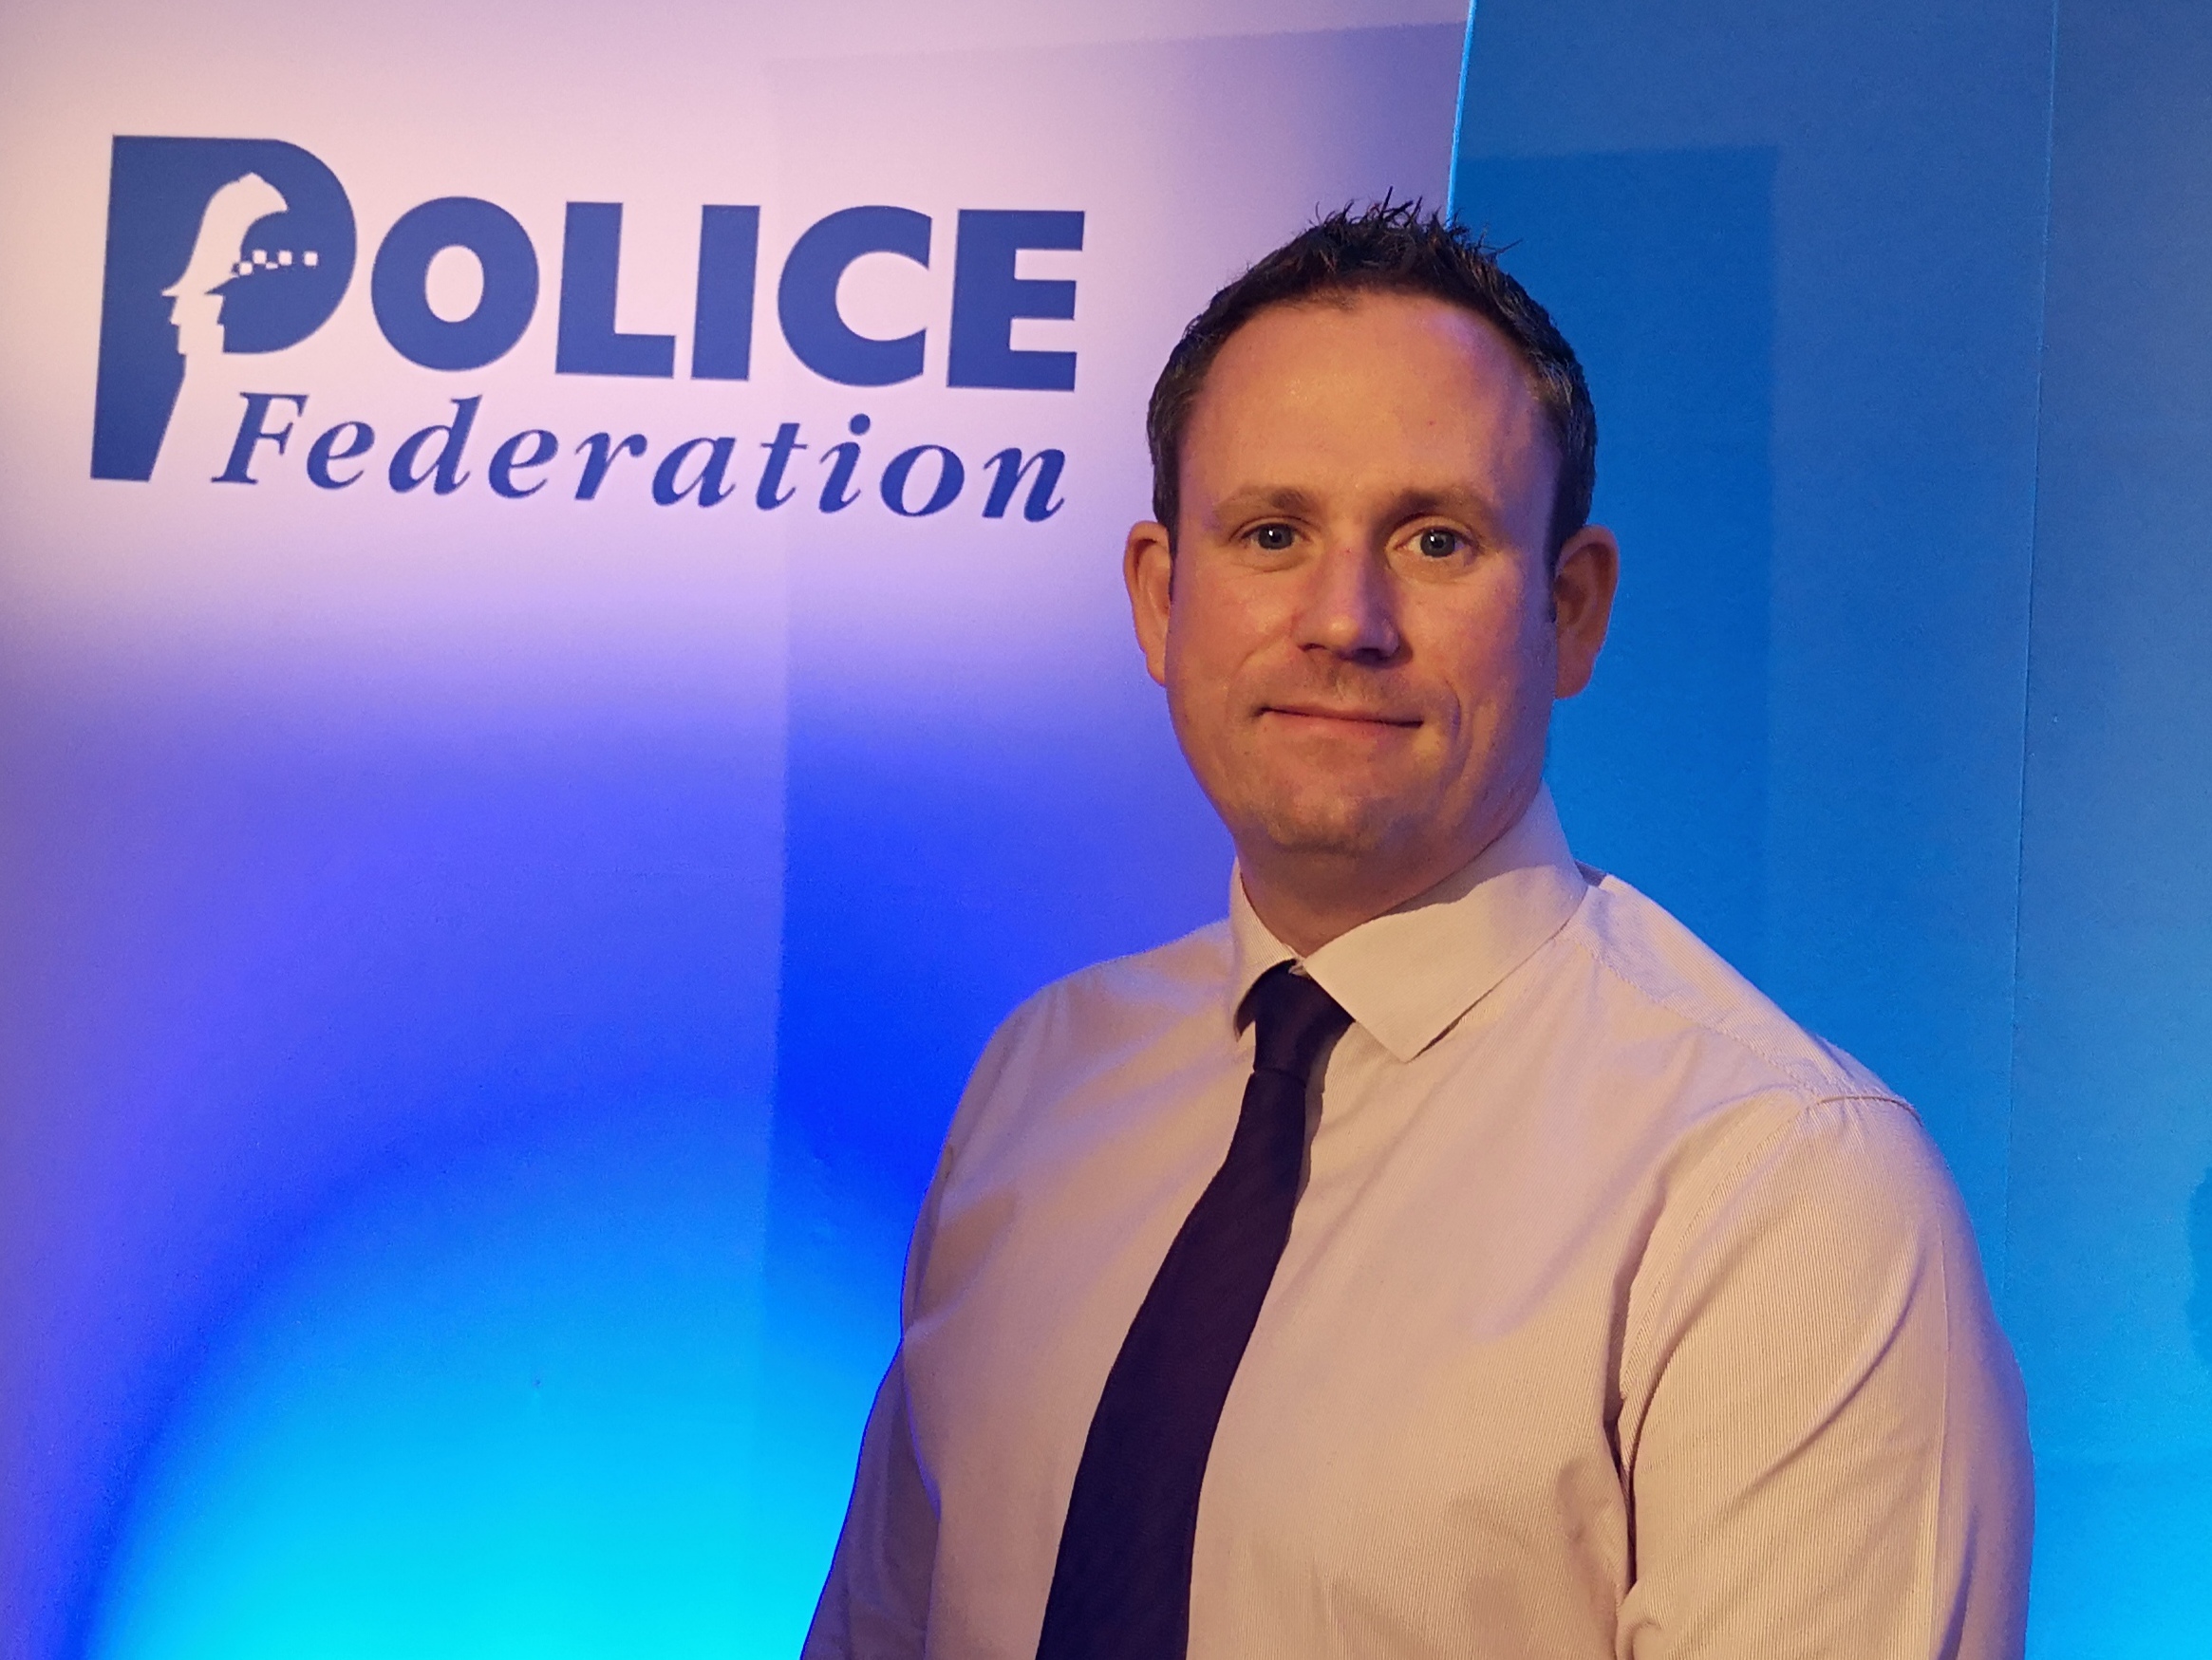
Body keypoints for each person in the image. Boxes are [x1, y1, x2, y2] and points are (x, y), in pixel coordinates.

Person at [802, 201, 2033, 1660]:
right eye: (1271, 533)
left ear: (1571, 610)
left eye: (1434, 538)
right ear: (1159, 596)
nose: (1344, 619)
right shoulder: (1039, 1083)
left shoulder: (1779, 1188)